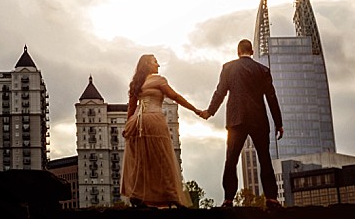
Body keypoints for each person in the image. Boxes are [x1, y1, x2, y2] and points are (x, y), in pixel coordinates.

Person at [201, 38, 283, 206]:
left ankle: (229, 199)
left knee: (231, 159)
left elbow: (220, 93)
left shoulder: (228, 68)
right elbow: (271, 97)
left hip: (236, 119)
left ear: (238, 52)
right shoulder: (263, 70)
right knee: (264, 158)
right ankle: (272, 198)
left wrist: (210, 111)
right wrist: (278, 123)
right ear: (251, 52)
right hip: (258, 119)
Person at [120, 53, 202, 207]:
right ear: (147, 65)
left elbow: (131, 107)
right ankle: (173, 196)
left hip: (137, 122)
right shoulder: (159, 80)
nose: (158, 65)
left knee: (142, 161)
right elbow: (175, 96)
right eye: (155, 62)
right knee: (163, 159)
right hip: (154, 120)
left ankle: (138, 195)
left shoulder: (136, 83)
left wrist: (127, 126)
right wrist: (195, 109)